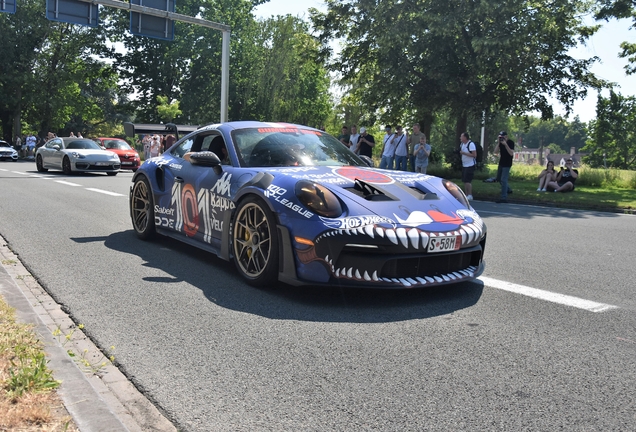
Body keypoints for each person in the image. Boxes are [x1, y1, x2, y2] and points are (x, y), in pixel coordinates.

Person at [493, 131, 515, 203]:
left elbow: (511, 153)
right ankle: (508, 189)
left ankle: (503, 197)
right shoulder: (500, 143)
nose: (502, 138)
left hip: (507, 163)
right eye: (500, 137)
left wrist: (505, 145)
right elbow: (495, 152)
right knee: (498, 178)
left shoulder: (510, 142)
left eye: (503, 137)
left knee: (503, 179)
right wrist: (499, 143)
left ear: (506, 137)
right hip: (501, 162)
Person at [459, 132, 477, 200]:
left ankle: (470, 195)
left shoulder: (471, 144)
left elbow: (474, 155)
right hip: (464, 164)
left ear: (465, 137)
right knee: (464, 180)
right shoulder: (462, 144)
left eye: (461, 136)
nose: (460, 138)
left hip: (470, 165)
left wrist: (464, 153)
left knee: (468, 181)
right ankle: (466, 195)